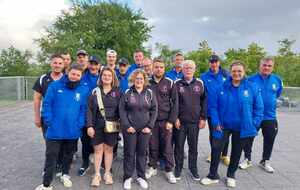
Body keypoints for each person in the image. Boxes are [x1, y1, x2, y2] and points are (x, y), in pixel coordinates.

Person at [200, 61, 264, 188]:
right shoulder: (221, 87)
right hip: (222, 126)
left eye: (239, 71)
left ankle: (231, 175)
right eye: (234, 71)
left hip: (242, 127)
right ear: (230, 72)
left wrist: (254, 123)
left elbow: (259, 108)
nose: (237, 73)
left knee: (236, 151)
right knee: (216, 149)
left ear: (244, 72)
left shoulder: (251, 87)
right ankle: (213, 175)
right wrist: (216, 122)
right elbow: (213, 107)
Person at [35, 64, 89, 190]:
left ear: (81, 76)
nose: (75, 76)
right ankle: (46, 184)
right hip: (55, 130)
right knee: (51, 155)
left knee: (68, 155)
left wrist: (79, 124)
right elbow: (47, 104)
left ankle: (65, 174)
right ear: (67, 72)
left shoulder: (83, 89)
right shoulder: (55, 86)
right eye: (73, 73)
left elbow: (83, 109)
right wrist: (49, 121)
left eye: (78, 75)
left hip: (72, 130)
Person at [239, 57, 283, 173]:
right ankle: (247, 159)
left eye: (269, 66)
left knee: (270, 139)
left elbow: (277, 94)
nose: (266, 67)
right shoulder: (251, 80)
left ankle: (265, 161)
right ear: (260, 66)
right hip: (254, 116)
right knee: (248, 138)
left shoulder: (277, 80)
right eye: (264, 65)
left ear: (272, 67)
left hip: (270, 117)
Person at [119, 69, 158, 190]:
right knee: (129, 153)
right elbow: (122, 110)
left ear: (144, 80)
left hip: (145, 129)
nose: (139, 81)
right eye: (137, 79)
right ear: (133, 80)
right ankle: (127, 177)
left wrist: (149, 126)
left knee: (142, 153)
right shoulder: (127, 92)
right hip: (130, 129)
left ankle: (141, 176)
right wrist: (126, 126)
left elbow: (154, 110)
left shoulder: (150, 93)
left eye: (141, 79)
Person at [86, 67, 121, 186]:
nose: (106, 77)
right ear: (101, 77)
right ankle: (96, 174)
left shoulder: (118, 92)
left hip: (112, 126)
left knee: (109, 150)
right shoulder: (95, 91)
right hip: (97, 125)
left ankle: (107, 173)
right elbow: (89, 110)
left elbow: (121, 110)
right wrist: (89, 126)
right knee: (98, 150)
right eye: (104, 75)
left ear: (113, 78)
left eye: (109, 76)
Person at [145, 58, 178, 184]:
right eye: (156, 67)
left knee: (167, 146)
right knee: (152, 145)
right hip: (151, 121)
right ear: (153, 68)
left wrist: (171, 120)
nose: (159, 69)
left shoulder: (170, 82)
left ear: (164, 68)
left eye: (161, 67)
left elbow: (175, 104)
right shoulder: (147, 82)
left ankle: (169, 170)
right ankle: (152, 167)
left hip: (166, 121)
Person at [173, 60, 207, 181]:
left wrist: (203, 118)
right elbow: (173, 103)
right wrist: (175, 118)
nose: (188, 70)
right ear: (182, 69)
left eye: (190, 68)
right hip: (180, 122)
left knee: (193, 147)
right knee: (179, 147)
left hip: (194, 122)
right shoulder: (177, 83)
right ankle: (178, 168)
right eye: (186, 67)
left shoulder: (200, 83)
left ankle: (193, 169)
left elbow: (204, 101)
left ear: (194, 69)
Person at [32, 54, 64, 177]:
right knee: (50, 144)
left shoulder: (66, 79)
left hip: (62, 118)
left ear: (63, 65)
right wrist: (36, 117)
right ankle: (48, 168)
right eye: (55, 62)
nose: (57, 65)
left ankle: (60, 166)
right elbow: (36, 99)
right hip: (48, 117)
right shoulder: (43, 79)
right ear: (51, 63)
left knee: (62, 143)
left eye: (60, 63)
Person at [200, 54, 230, 165]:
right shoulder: (204, 76)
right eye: (212, 62)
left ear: (219, 63)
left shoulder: (226, 74)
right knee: (213, 133)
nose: (214, 64)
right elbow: (202, 94)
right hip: (211, 109)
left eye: (216, 61)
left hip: (225, 109)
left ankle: (224, 155)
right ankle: (214, 153)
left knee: (225, 133)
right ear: (209, 63)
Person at [78, 55, 101, 176]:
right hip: (84, 112)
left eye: (95, 64)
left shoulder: (102, 77)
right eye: (91, 63)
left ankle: (101, 163)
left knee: (99, 139)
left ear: (99, 65)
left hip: (99, 114)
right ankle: (85, 163)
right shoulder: (82, 75)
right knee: (85, 140)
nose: (93, 66)